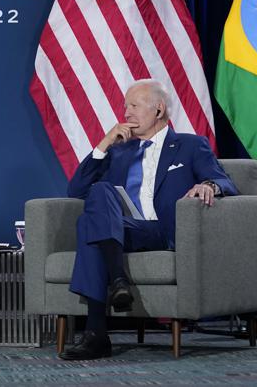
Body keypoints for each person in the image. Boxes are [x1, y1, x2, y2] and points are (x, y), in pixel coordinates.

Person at [59, 79, 238, 360]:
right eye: (124, 106)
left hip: (163, 229)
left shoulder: (189, 145)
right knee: (99, 194)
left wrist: (210, 186)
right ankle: (116, 284)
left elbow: (224, 181)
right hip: (123, 228)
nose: (126, 112)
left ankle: (96, 332)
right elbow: (76, 190)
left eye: (134, 105)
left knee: (88, 228)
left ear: (158, 109)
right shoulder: (118, 151)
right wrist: (104, 142)